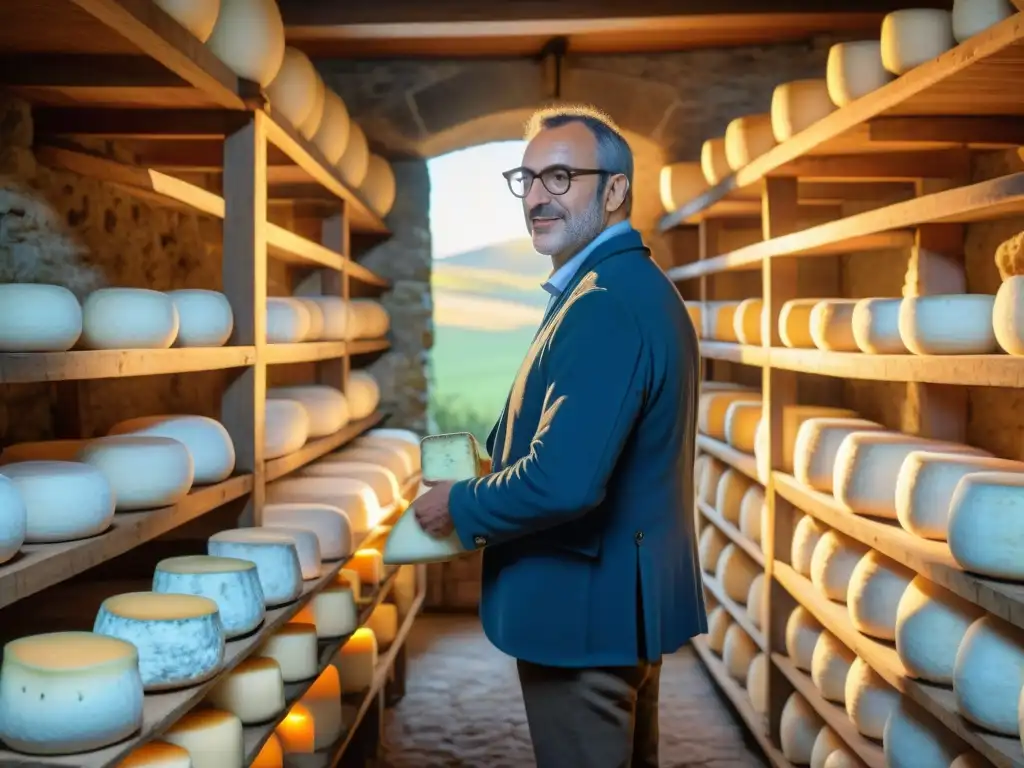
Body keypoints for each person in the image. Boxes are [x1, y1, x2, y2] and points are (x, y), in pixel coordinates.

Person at [414, 104, 705, 767]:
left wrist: (456, 506)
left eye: (562, 176)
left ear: (615, 191)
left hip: (584, 613)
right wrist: (489, 465)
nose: (538, 197)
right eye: (529, 179)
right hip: (611, 609)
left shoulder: (604, 301)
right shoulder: (622, 285)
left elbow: (564, 480)